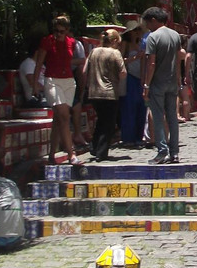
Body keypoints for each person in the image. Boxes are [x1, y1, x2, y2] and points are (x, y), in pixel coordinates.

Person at [31, 15, 82, 165]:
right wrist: (35, 84)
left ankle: (52, 153)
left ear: (67, 30)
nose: (58, 33)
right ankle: (71, 153)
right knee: (64, 116)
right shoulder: (47, 41)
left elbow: (72, 62)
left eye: (61, 31)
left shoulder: (71, 43)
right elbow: (39, 63)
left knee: (59, 119)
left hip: (68, 81)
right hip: (52, 80)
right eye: (56, 30)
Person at [141, 6, 182, 165]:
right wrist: (178, 79)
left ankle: (162, 151)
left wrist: (146, 84)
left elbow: (151, 62)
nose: (147, 26)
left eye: (147, 23)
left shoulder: (153, 37)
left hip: (158, 82)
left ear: (153, 20)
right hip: (172, 82)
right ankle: (175, 153)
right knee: (172, 117)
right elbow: (178, 60)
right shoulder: (175, 35)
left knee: (158, 117)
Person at [83, 29, 126, 161]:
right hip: (109, 92)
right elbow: (123, 72)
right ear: (114, 41)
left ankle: (94, 147)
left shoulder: (93, 52)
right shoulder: (115, 53)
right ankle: (101, 152)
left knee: (100, 120)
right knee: (108, 123)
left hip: (94, 92)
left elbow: (85, 71)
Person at [120, 21, 147, 146]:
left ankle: (138, 136)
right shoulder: (125, 44)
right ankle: (128, 137)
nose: (137, 33)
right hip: (129, 77)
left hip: (139, 78)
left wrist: (143, 78)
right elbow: (121, 61)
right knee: (129, 107)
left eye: (138, 31)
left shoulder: (142, 44)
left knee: (141, 107)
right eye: (135, 31)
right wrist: (136, 57)